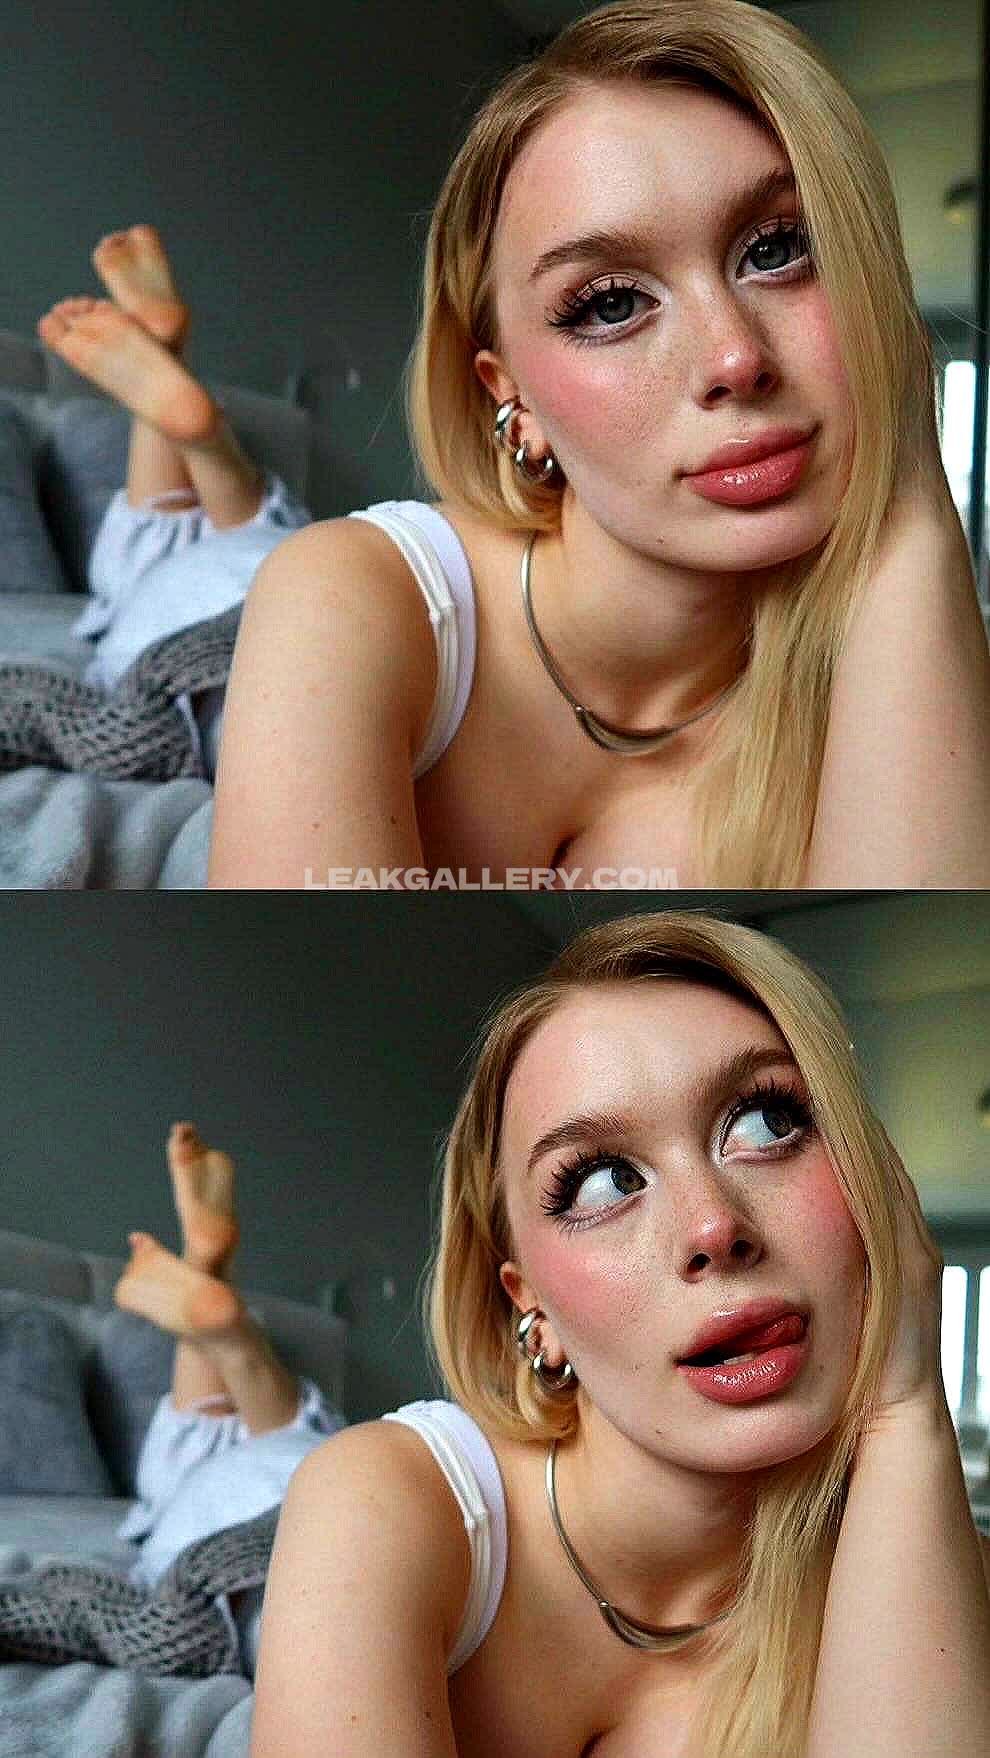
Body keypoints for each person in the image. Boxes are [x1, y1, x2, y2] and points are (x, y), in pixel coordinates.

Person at [209, 0, 990, 891]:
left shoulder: (881, 687)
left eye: (778, 250)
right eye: (611, 304)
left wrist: (908, 494)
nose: (735, 358)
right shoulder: (359, 596)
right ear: (511, 398)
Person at [251, 909, 990, 1758]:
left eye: (766, 1123)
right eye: (604, 1181)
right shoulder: (389, 1503)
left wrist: (906, 1409)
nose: (713, 1227)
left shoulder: (943, 1579)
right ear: (532, 1310)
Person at [36, 226, 311, 779]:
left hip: (252, 599)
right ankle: (194, 421)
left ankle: (192, 418)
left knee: (165, 570)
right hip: (283, 592)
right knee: (206, 553)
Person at [112, 1119, 344, 1676]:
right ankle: (219, 1304)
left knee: (214, 1468)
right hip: (315, 1492)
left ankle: (210, 1276)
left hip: (295, 1499)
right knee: (271, 1455)